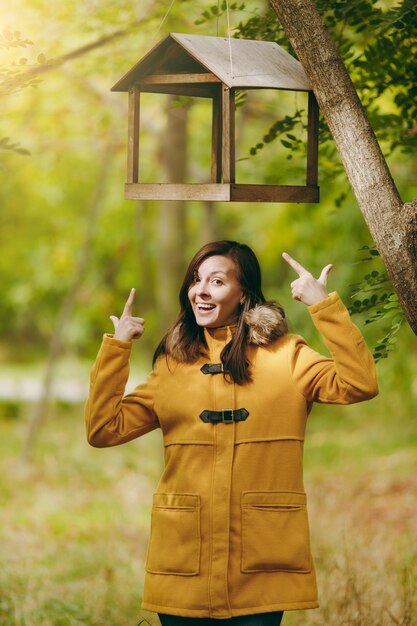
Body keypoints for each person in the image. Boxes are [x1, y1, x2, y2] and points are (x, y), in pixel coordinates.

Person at [85, 240, 378, 625]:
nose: (200, 290)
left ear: (243, 296)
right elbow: (103, 429)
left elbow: (359, 383)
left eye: (217, 281)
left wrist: (322, 306)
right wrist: (116, 349)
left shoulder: (288, 355)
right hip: (182, 561)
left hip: (261, 560)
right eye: (196, 279)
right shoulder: (173, 367)